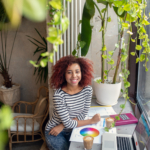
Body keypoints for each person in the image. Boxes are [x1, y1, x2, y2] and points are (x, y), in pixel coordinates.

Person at [45, 55, 101, 150]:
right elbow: (68, 123)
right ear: (63, 74)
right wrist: (92, 121)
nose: (74, 76)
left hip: (74, 129)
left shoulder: (87, 90)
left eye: (77, 71)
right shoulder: (59, 95)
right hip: (55, 131)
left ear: (82, 72)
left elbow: (83, 114)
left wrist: (62, 125)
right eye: (69, 72)